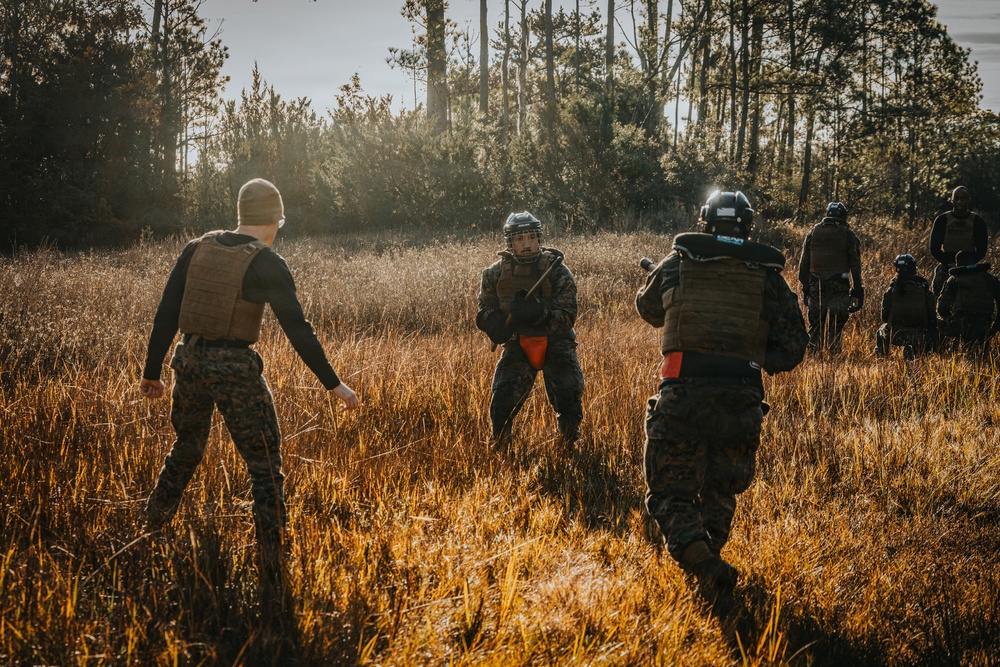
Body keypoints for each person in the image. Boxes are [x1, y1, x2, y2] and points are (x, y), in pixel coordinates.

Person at [139, 178, 360, 606]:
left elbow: (167, 311)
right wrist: (334, 384)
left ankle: (152, 522)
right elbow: (298, 329)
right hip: (234, 368)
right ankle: (273, 562)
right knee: (264, 465)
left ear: (241, 215)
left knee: (187, 447)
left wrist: (152, 372)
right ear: (275, 220)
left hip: (188, 361)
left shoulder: (196, 248)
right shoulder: (266, 262)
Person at [636, 190, 807, 601]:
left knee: (670, 491)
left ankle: (703, 563)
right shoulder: (767, 275)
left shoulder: (678, 261)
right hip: (741, 399)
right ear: (747, 226)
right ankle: (711, 568)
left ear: (705, 222)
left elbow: (648, 309)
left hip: (682, 393)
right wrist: (751, 353)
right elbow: (793, 348)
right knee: (720, 489)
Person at [475, 212, 584, 450]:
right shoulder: (494, 273)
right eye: (519, 239)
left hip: (557, 341)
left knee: (569, 396)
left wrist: (540, 315)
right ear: (510, 242)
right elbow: (485, 306)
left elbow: (568, 316)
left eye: (531, 238)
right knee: (502, 400)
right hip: (517, 342)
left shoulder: (557, 271)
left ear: (539, 239)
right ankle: (501, 449)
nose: (526, 244)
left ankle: (568, 446)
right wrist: (490, 322)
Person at [797, 202, 864, 353]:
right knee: (835, 326)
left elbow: (803, 265)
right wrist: (857, 290)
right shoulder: (848, 234)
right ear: (844, 216)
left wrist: (806, 288)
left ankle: (813, 356)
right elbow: (855, 265)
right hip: (839, 285)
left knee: (815, 326)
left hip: (816, 285)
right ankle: (833, 357)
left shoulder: (813, 232)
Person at [929, 186, 989, 298]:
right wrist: (948, 263)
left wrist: (967, 264)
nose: (959, 202)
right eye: (956, 198)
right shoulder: (942, 220)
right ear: (952, 200)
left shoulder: (978, 222)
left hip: (969, 267)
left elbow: (982, 250)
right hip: (947, 265)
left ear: (968, 200)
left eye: (963, 198)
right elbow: (934, 248)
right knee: (938, 291)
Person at [874, 254, 937, 359]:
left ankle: (881, 357)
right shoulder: (924, 289)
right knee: (935, 331)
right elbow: (932, 317)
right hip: (920, 336)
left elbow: (884, 317)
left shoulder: (891, 290)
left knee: (881, 331)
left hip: (895, 335)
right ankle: (920, 354)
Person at [936, 251, 1000, 354]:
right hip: (985, 324)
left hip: (961, 324)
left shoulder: (954, 279)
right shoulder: (991, 279)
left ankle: (946, 352)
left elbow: (942, 307)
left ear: (958, 264)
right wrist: (995, 327)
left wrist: (950, 319)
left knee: (936, 323)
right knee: (982, 349)